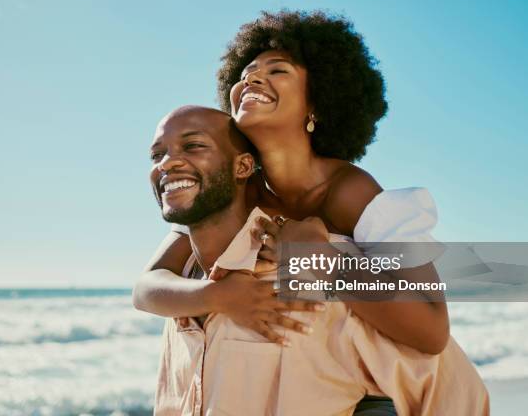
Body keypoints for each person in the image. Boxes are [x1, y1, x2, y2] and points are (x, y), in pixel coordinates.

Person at [148, 106, 488, 416]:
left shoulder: (314, 272)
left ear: (243, 166)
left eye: (193, 146)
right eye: (157, 155)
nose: (166, 163)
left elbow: (447, 384)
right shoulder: (182, 289)